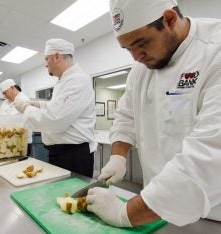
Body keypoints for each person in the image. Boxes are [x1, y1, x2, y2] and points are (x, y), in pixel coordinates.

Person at [86, 0, 221, 228]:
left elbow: (210, 156)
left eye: (141, 43)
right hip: (155, 208)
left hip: (212, 215)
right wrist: (118, 156)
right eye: (128, 49)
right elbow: (126, 116)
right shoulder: (141, 68)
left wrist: (124, 213)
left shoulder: (214, 51)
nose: (136, 57)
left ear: (169, 19)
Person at [14, 38, 97, 178]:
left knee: (71, 198)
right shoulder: (63, 81)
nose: (45, 64)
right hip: (62, 153)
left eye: (47, 59)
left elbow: (56, 119)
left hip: (73, 156)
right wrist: (38, 104)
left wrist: (26, 108)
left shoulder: (77, 80)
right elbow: (57, 108)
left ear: (57, 57)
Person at [0, 79, 32, 156]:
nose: (4, 96)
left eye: (5, 92)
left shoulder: (24, 99)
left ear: (12, 88)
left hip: (21, 141)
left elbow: (15, 121)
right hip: (7, 140)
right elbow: (0, 118)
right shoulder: (5, 102)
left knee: (20, 165)